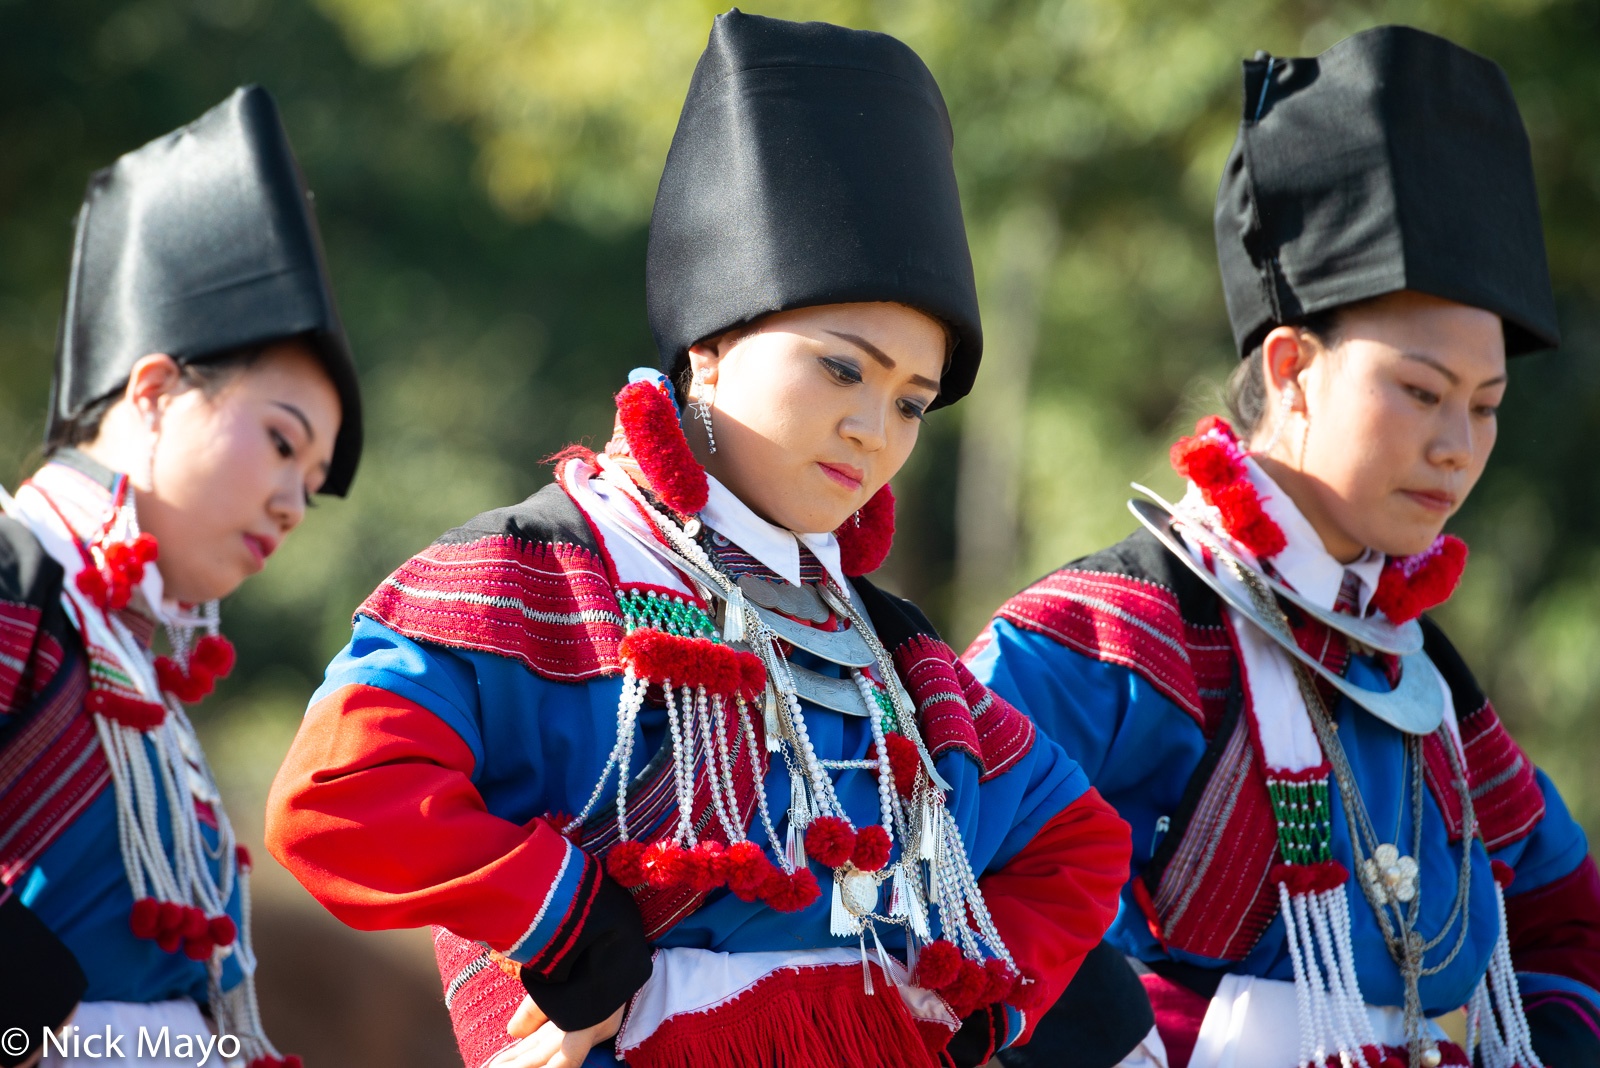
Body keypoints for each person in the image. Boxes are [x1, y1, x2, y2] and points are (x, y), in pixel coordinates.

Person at [264, 11, 1132, 1068]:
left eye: (914, 402)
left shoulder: (891, 655)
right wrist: (565, 922)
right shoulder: (548, 570)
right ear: (711, 350)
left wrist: (973, 1012)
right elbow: (336, 797)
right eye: (843, 368)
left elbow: (1073, 844)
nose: (873, 429)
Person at [966, 26, 1600, 1068]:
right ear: (1293, 366)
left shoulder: (1419, 673)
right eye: (1419, 392)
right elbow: (953, 859)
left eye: (1484, 407)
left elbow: (1558, 902)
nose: (1456, 448)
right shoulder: (1118, 632)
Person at [0, 85, 362, 1068]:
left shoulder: (124, 638)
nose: (294, 500)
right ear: (154, 390)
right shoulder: (14, 566)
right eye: (283, 444)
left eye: (315, 480)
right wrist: (31, 1028)